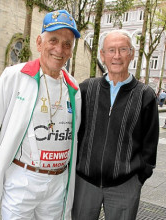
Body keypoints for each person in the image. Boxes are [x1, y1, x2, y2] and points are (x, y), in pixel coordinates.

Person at [0, 9, 81, 220]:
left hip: (57, 183)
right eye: (53, 40)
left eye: (67, 44)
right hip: (23, 179)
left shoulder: (73, 87)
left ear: (71, 51)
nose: (60, 49)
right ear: (39, 42)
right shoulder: (15, 76)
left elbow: (73, 134)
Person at [72, 30, 159, 220]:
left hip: (125, 185)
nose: (117, 56)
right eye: (111, 50)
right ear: (102, 55)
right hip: (85, 183)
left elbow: (150, 143)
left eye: (122, 49)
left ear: (132, 53)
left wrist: (138, 178)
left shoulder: (145, 95)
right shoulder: (87, 89)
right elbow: (75, 132)